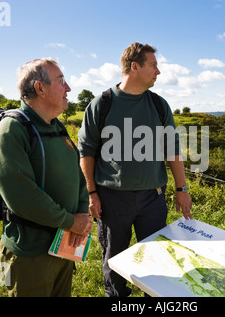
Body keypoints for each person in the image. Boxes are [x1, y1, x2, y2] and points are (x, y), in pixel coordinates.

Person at [78, 42, 193, 297]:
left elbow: (173, 150)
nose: (158, 71)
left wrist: (182, 189)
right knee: (114, 260)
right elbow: (86, 153)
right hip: (112, 199)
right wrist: (91, 193)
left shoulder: (159, 105)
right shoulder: (102, 104)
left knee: (155, 258)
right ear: (134, 67)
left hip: (153, 198)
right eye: (153, 65)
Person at [0, 58, 93, 297]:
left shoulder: (57, 127)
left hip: (63, 247)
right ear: (40, 88)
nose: (68, 88)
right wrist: (71, 221)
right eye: (61, 81)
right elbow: (23, 197)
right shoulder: (10, 131)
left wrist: (82, 216)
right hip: (28, 254)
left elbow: (77, 175)